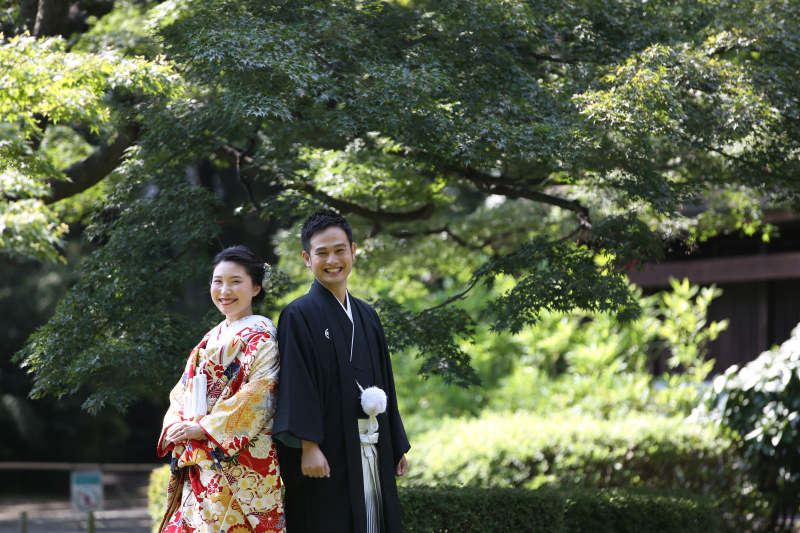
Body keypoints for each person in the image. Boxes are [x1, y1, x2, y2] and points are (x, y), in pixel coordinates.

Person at [273, 209, 410, 533]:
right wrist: (309, 447)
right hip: (327, 450)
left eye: (340, 250)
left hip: (372, 443)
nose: (332, 260)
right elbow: (296, 384)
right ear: (307, 259)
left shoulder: (367, 314)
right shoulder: (298, 314)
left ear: (353, 251)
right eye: (322, 253)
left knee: (374, 521)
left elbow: (385, 381)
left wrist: (394, 443)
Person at [157, 246, 285, 533]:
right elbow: (182, 390)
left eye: (235, 281)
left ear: (255, 288)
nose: (225, 290)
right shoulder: (210, 338)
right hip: (198, 455)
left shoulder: (263, 336)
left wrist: (204, 428)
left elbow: (259, 396)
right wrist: (176, 424)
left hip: (238, 460)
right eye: (218, 281)